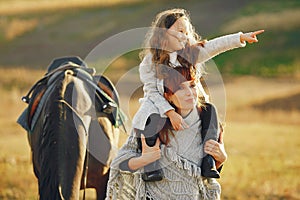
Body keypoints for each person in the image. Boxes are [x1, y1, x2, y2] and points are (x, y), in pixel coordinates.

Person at [131, 8, 264, 180]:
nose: (185, 35)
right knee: (149, 116)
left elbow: (216, 45)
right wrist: (170, 113)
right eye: (180, 31)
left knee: (210, 110)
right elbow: (151, 91)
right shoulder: (150, 62)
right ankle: (151, 164)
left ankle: (208, 159)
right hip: (160, 102)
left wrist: (239, 38)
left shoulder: (190, 53)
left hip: (188, 100)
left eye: (187, 32)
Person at [106, 66, 227, 199]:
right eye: (180, 88)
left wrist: (221, 159)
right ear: (168, 96)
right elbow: (119, 164)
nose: (189, 92)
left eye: (192, 85)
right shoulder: (152, 124)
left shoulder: (208, 122)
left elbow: (207, 173)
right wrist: (144, 160)